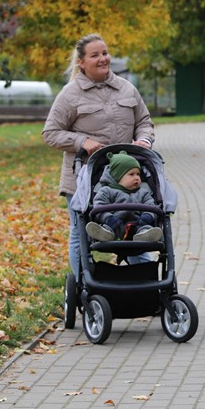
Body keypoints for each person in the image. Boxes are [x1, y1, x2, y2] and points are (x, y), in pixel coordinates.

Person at [43, 34, 155, 276]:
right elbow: (50, 132)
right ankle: (86, 286)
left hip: (126, 178)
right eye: (95, 55)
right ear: (81, 62)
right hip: (83, 177)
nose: (103, 58)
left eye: (104, 53)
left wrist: (144, 139)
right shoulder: (70, 94)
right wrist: (82, 141)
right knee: (80, 232)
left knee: (134, 227)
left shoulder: (127, 88)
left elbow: (144, 121)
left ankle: (145, 285)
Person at [87, 150, 163, 242]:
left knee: (145, 227)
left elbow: (151, 206)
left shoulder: (144, 192)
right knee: (108, 227)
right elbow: (99, 207)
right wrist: (108, 218)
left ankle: (145, 235)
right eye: (131, 174)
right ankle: (104, 234)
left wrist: (147, 216)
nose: (137, 178)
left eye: (138, 174)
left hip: (138, 225)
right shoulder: (106, 191)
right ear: (117, 177)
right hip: (115, 224)